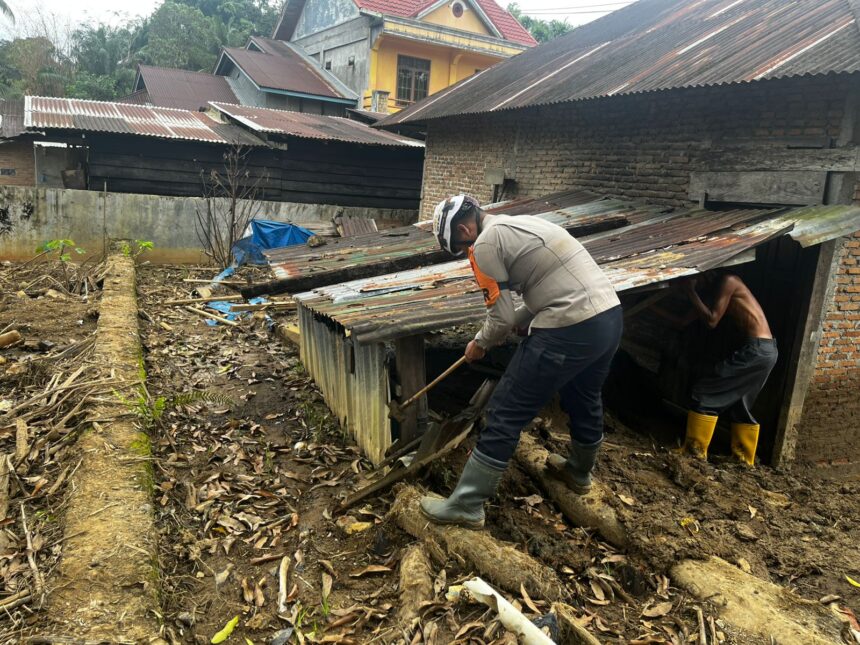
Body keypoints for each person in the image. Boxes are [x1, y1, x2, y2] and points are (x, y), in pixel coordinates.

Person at [420, 194, 623, 529]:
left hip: (568, 326)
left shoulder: (484, 245)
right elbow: (549, 280)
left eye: (459, 245)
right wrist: (524, 315)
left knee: (505, 411)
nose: (464, 251)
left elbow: (498, 322)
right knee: (583, 396)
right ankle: (579, 472)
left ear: (464, 227)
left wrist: (479, 344)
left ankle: (467, 504)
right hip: (608, 319)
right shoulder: (521, 223)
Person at [658, 272, 778, 466]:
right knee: (740, 405)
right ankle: (744, 460)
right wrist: (650, 307)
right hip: (763, 351)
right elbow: (681, 322)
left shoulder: (728, 281)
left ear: (705, 274)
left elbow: (711, 321)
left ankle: (693, 453)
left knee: (705, 392)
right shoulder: (712, 292)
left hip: (756, 349)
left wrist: (690, 292)